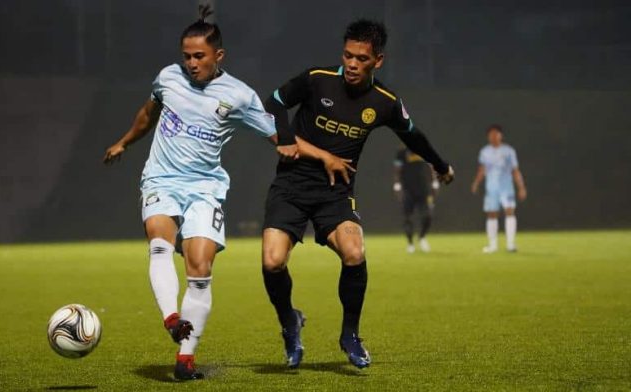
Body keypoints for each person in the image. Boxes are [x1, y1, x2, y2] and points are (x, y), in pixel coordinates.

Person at [260, 19, 454, 369]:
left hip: (335, 192)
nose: (351, 64)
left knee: (354, 251)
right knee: (273, 262)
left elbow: (412, 136)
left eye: (361, 59)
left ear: (377, 60)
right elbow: (272, 103)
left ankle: (350, 335)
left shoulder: (383, 101)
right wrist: (287, 139)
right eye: (348, 56)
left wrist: (439, 164)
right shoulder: (317, 79)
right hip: (291, 185)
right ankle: (289, 319)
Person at [103, 6, 281, 381]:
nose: (190, 63)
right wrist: (124, 142)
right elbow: (147, 114)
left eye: (199, 56)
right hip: (161, 179)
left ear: (219, 56)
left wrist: (316, 154)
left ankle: (185, 360)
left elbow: (279, 137)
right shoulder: (168, 78)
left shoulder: (239, 95)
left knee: (199, 268)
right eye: (186, 56)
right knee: (159, 239)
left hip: (205, 188)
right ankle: (172, 316)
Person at [470, 124, 527, 253]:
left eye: (496, 133)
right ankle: (492, 245)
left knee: (509, 211)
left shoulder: (509, 151)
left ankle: (511, 244)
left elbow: (515, 170)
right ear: (488, 136)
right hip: (491, 188)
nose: (494, 136)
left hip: (506, 187)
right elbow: (482, 170)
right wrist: (476, 183)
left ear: (501, 135)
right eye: (491, 134)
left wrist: (521, 187)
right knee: (491, 214)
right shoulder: (485, 152)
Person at [393, 147, 440, 253]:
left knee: (428, 215)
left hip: (424, 188)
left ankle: (422, 237)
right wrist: (397, 184)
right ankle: (410, 244)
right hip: (408, 189)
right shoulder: (401, 153)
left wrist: (435, 181)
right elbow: (397, 169)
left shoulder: (423, 148)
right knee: (407, 217)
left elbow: (431, 165)